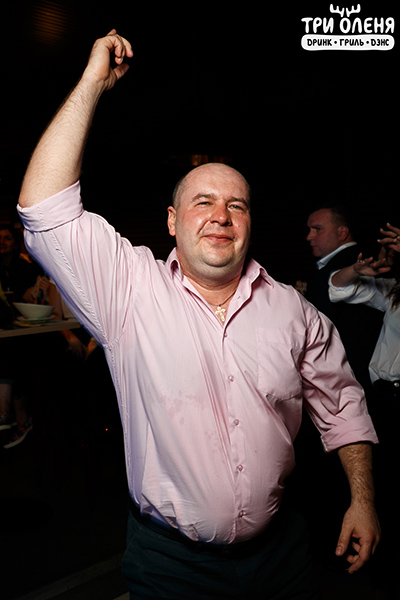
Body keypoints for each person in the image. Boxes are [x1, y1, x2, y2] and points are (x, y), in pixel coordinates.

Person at [17, 31, 381, 599]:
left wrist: (362, 499)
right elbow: (43, 207)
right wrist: (91, 83)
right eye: (202, 202)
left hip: (282, 553)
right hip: (171, 566)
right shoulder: (128, 291)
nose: (220, 216)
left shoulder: (293, 311)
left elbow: (343, 405)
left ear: (250, 222)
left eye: (236, 204)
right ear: (172, 221)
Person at [329, 223, 400, 593]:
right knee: (381, 491)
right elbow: (339, 288)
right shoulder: (394, 292)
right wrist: (358, 269)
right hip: (384, 402)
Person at [305, 204, 383, 392]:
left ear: (342, 233)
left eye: (317, 229)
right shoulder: (331, 265)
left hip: (347, 380)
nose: (309, 237)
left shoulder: (355, 263)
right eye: (309, 230)